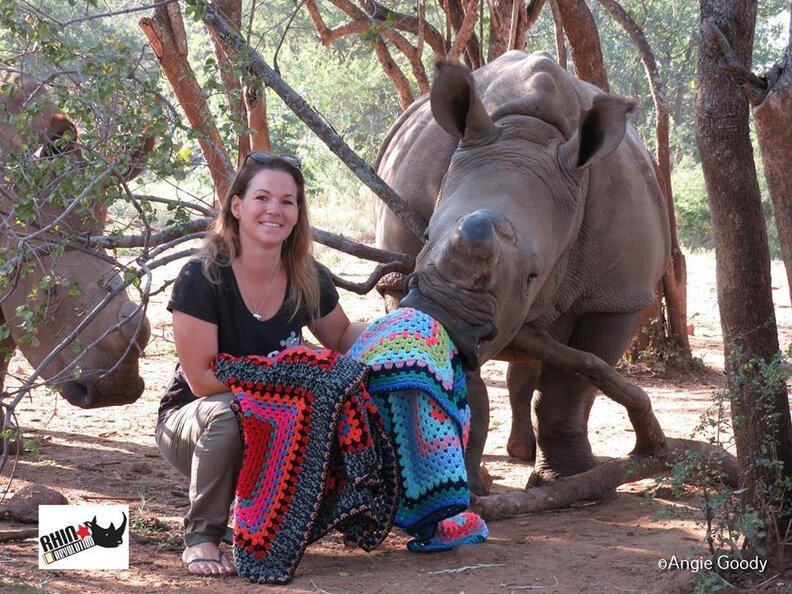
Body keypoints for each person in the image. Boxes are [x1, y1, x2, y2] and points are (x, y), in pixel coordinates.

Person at [155, 152, 365, 576]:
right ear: (237, 206)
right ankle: (203, 537)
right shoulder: (202, 275)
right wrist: (283, 391)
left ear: (298, 213)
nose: (275, 210)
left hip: (279, 423)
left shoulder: (308, 276)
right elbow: (200, 380)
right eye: (263, 197)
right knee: (235, 414)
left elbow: (342, 338)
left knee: (351, 401)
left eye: (288, 201)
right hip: (196, 423)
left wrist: (402, 332)